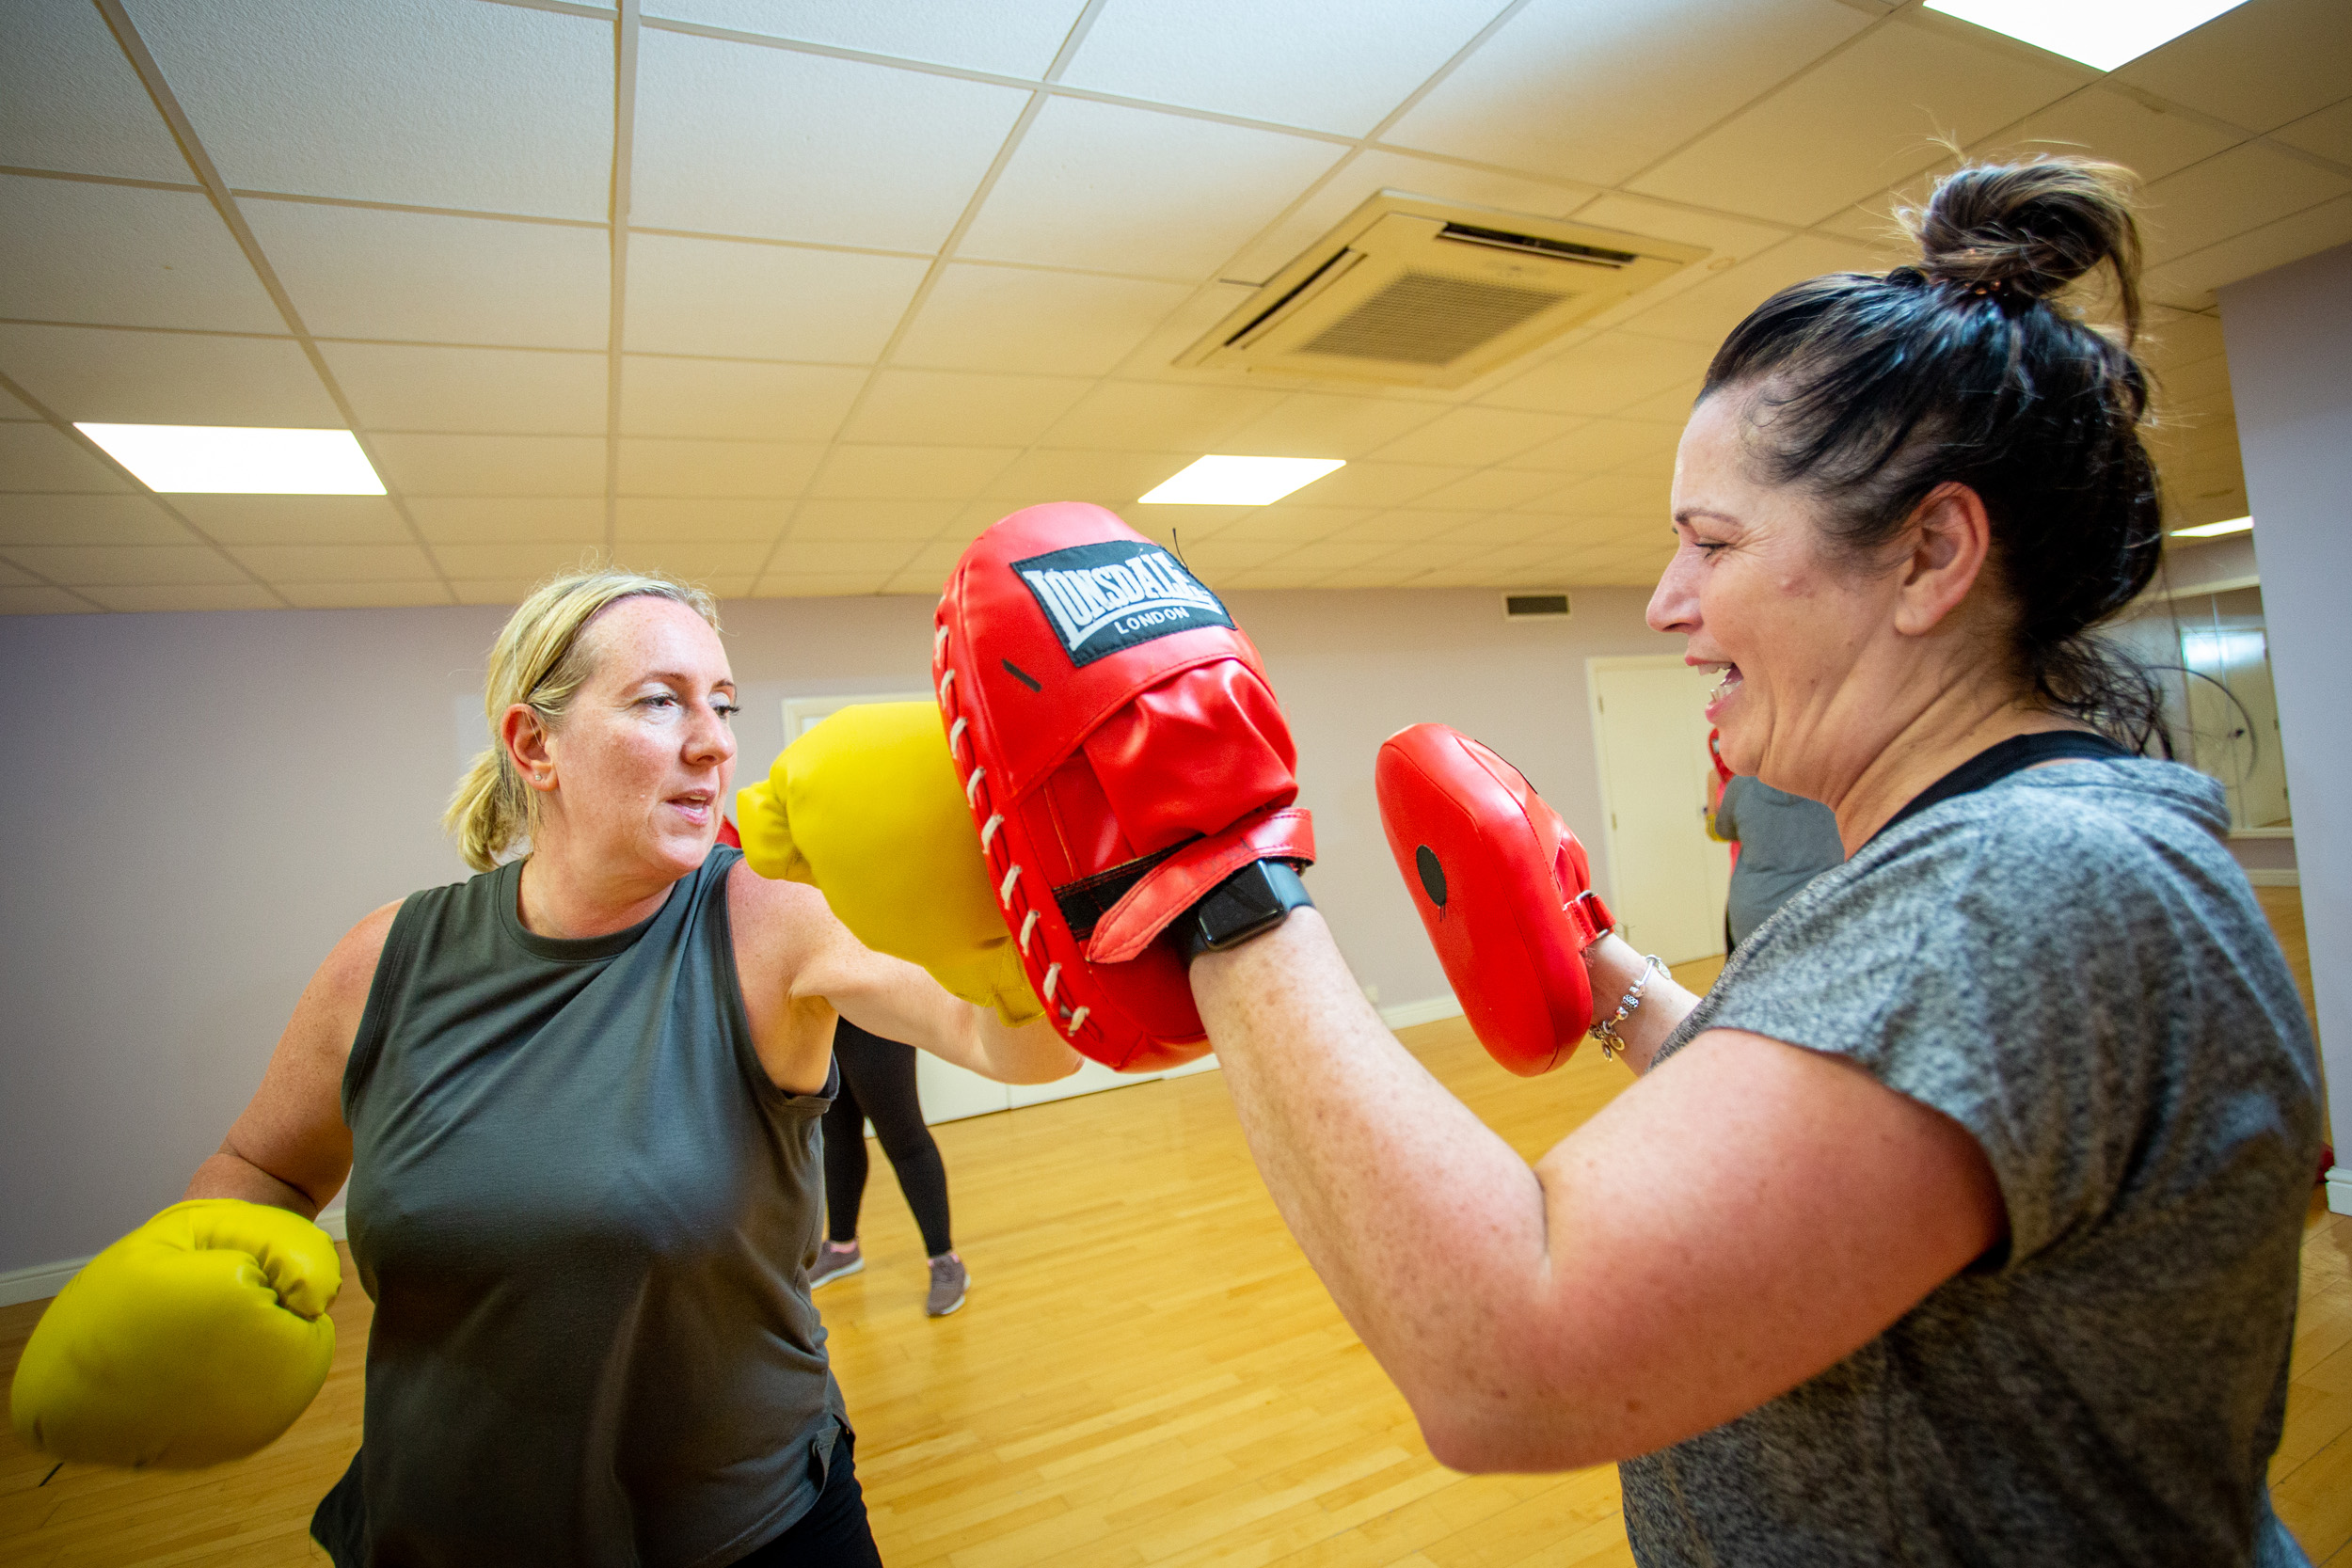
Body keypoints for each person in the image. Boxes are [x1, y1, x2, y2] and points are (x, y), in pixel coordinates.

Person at [1170, 159, 2320, 1564]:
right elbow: (1855, 1150)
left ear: (1929, 555)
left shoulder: (2012, 886)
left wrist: (1216, 877)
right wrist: (1606, 975)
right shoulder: (2038, 848)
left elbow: (1507, 1356)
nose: (1667, 602)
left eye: (1711, 542)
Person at [161, 569, 1074, 1565]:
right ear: (533, 744)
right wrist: (202, 1277)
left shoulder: (768, 921)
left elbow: (1010, 1047)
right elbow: (263, 1165)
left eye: (722, 704)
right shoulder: (384, 961)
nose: (715, 740)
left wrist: (1010, 907)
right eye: (659, 700)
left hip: (748, 1532)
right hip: (446, 1530)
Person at [809, 1020, 971, 1317]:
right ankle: (842, 1247)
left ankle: (945, 1260)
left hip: (871, 1009)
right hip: (820, 1013)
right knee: (839, 1137)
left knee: (905, 1140)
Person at [1708, 771, 1844, 948]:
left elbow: (1721, 830)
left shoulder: (1741, 785)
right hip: (1824, 909)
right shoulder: (1835, 777)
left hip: (1755, 919)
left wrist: (1712, 805)